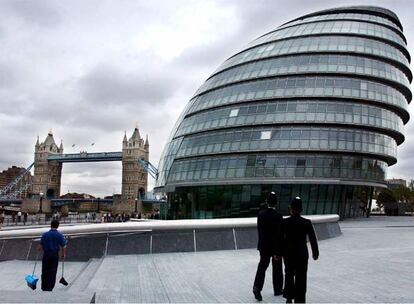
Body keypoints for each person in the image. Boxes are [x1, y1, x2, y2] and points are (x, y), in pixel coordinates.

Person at [281, 197, 319, 303]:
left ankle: (289, 297)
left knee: (289, 275)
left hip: (288, 254)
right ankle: (300, 299)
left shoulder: (285, 222)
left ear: (291, 209)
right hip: (302, 254)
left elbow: (280, 239)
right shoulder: (306, 222)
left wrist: (278, 253)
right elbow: (313, 239)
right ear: (301, 209)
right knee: (301, 277)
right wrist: (315, 253)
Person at [253, 192, 283, 301]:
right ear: (276, 203)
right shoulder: (279, 216)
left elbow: (260, 230)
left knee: (262, 266)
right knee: (277, 268)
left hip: (264, 246)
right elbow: (280, 235)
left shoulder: (260, 215)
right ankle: (278, 289)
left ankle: (257, 287)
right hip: (275, 247)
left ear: (267, 202)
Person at [38, 220, 67, 291]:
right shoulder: (59, 235)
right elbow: (63, 246)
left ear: (51, 225)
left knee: (45, 271)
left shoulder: (45, 234)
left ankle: (44, 286)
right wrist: (63, 254)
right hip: (54, 255)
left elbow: (39, 247)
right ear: (58, 226)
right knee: (53, 271)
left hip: (46, 254)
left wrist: (42, 248)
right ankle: (50, 287)